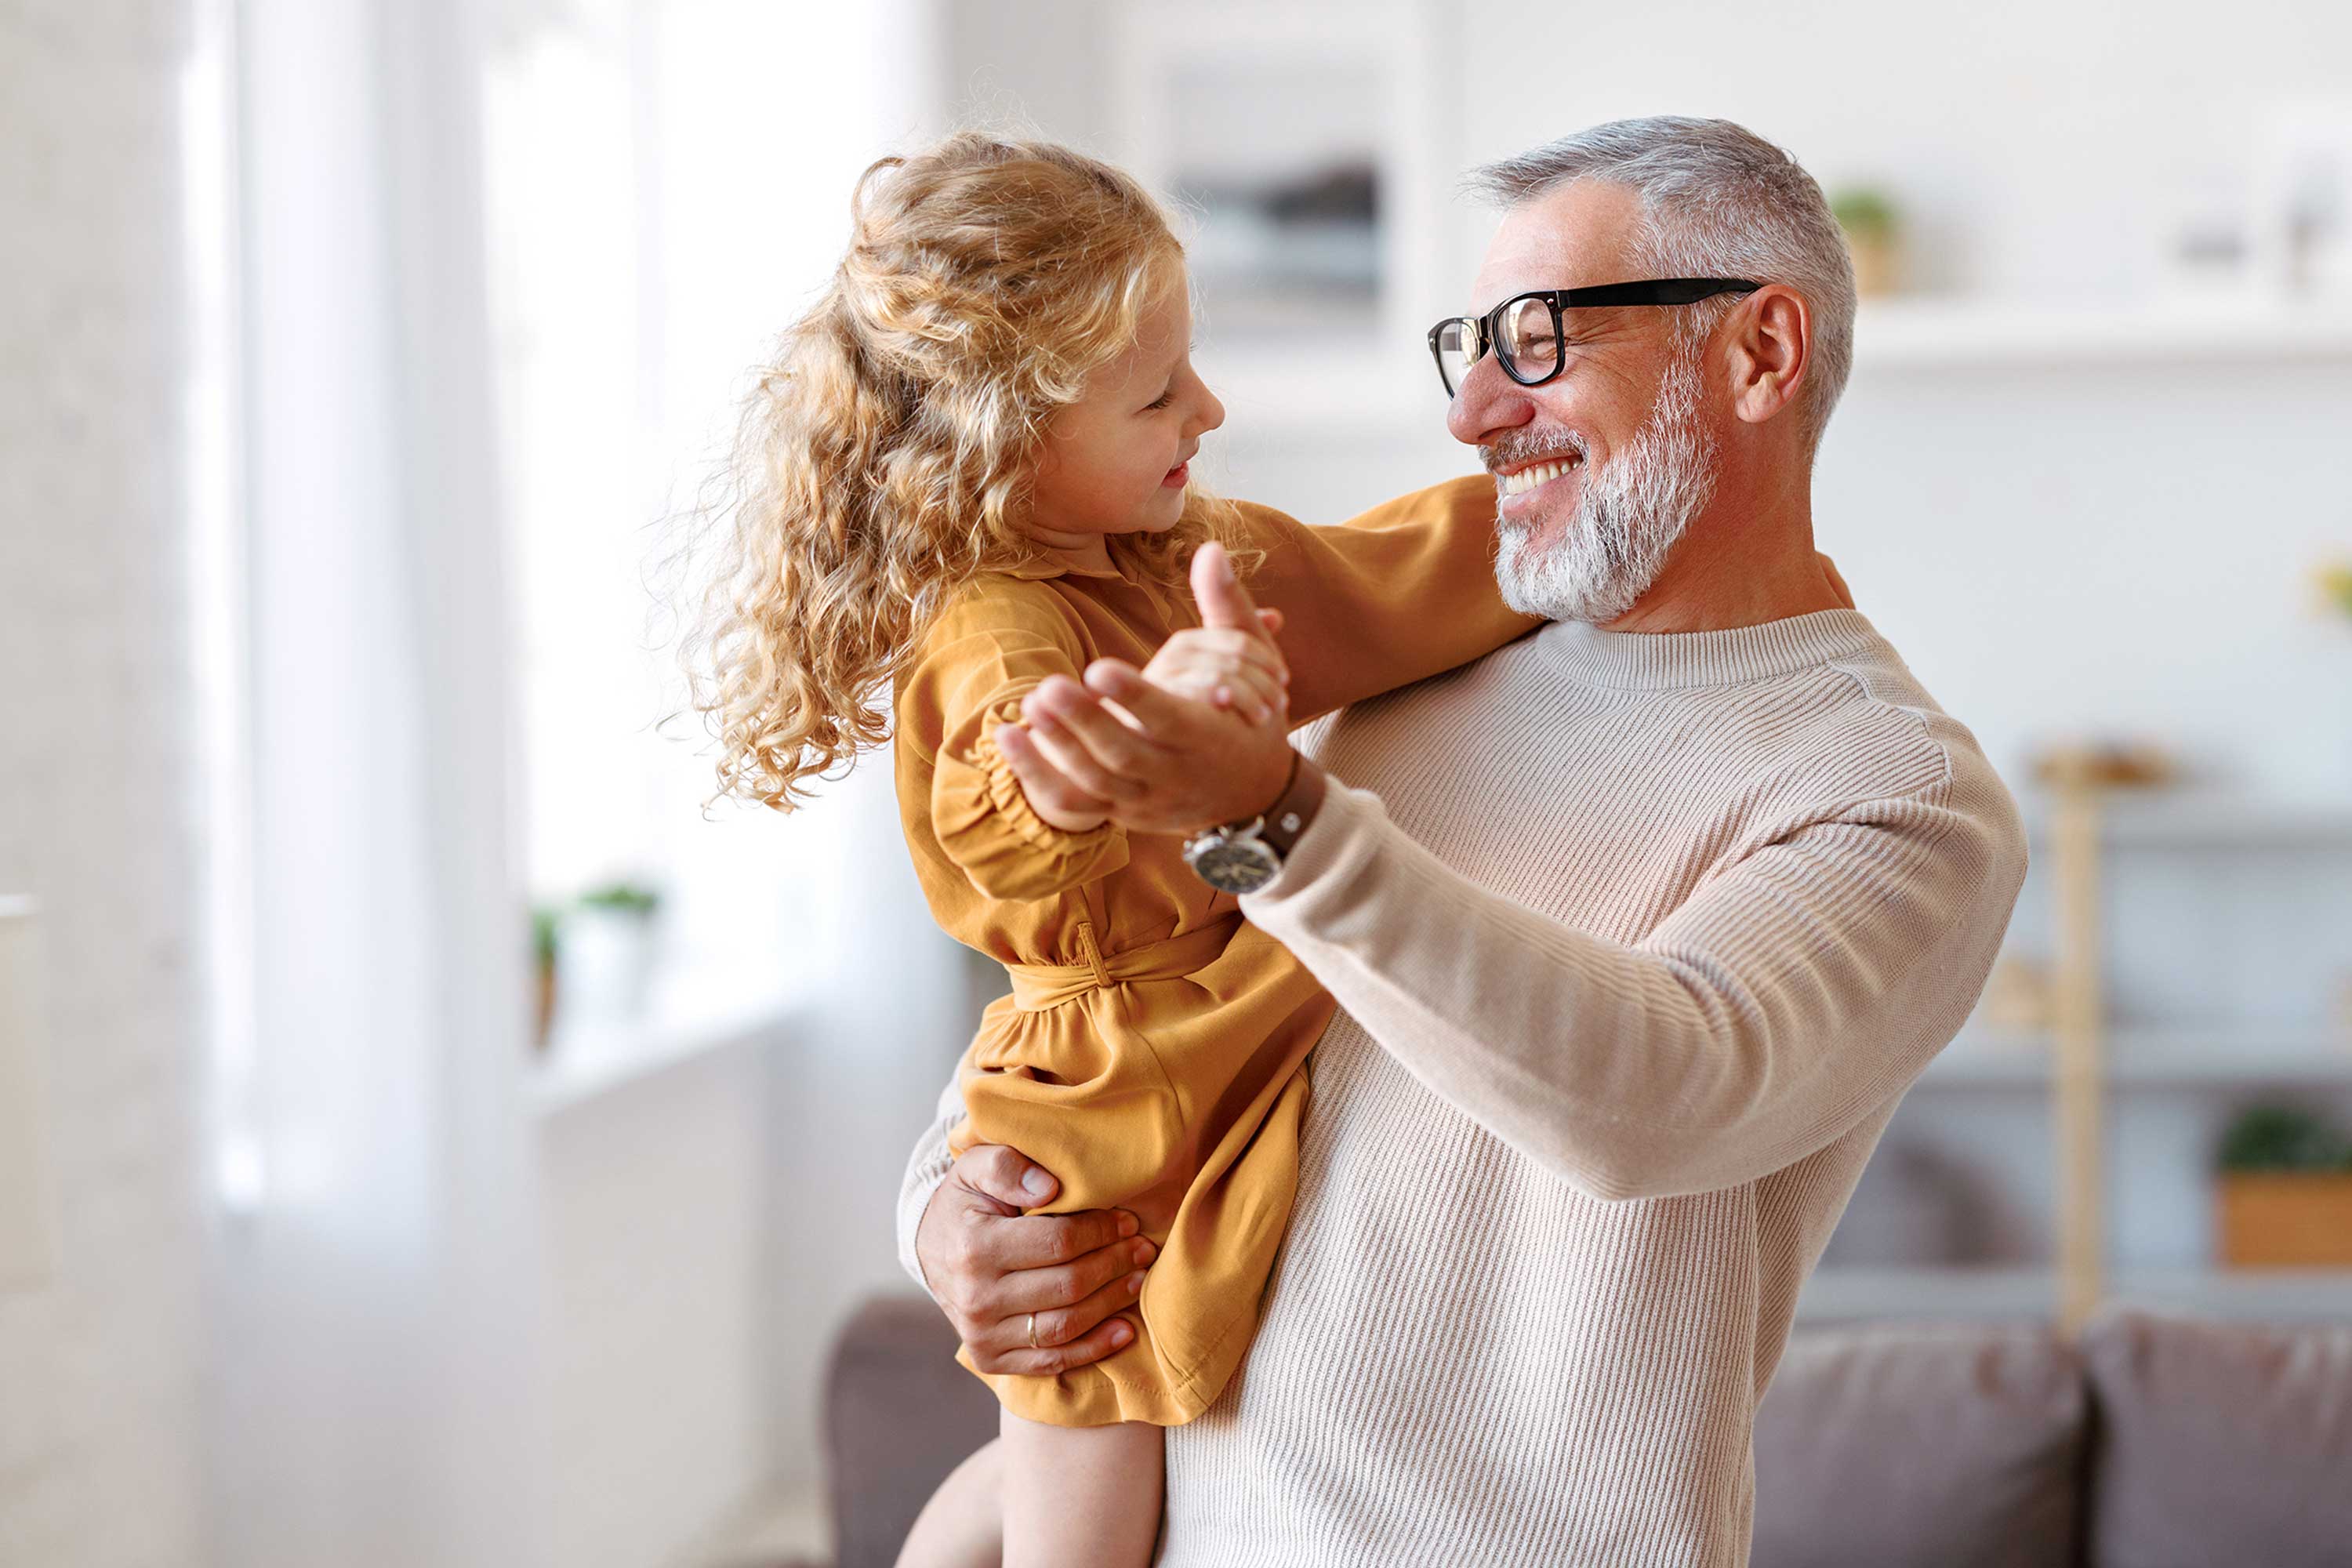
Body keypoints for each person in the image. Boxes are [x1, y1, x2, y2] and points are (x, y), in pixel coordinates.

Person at [899, 116, 2031, 1566]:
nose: (1476, 410)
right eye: (1470, 345)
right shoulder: (1393, 674)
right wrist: (951, 1213)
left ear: (1759, 355)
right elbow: (1114, 998)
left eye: (1542, 339)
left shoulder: (1893, 794)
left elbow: (1655, 1093)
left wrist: (1269, 815)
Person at [676, 132, 1535, 1568]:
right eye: (1156, 395)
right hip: (1101, 1103)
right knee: (1087, 1485)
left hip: (1226, 1001)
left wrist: (1559, 509)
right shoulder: (997, 625)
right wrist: (1136, 748)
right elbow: (1015, 820)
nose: (1208, 405)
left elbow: (1383, 581)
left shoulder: (1184, 554)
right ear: (1007, 437)